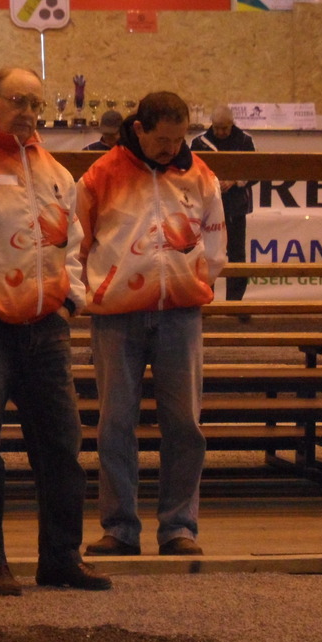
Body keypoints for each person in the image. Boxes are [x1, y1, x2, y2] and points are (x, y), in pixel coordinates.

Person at [0, 67, 111, 596]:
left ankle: (61, 557)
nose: (28, 111)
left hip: (47, 326)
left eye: (35, 103)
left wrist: (70, 298)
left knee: (62, 447)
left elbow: (75, 240)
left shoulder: (55, 171)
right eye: (17, 100)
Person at [77, 91, 226, 557]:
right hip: (116, 317)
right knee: (115, 423)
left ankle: (179, 527)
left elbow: (216, 243)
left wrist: (191, 280)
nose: (172, 149)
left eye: (179, 139)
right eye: (163, 140)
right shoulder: (101, 174)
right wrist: (96, 291)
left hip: (180, 312)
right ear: (138, 130)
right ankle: (120, 528)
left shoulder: (200, 175)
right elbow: (77, 243)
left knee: (184, 424)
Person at [190, 105, 255, 301]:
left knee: (237, 255)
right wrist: (214, 182)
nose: (220, 132)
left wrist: (235, 181)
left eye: (224, 128)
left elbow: (256, 171)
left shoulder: (245, 141)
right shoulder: (199, 142)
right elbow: (191, 172)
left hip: (235, 206)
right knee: (206, 253)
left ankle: (235, 304)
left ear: (232, 124)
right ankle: (206, 299)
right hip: (207, 207)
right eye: (217, 127)